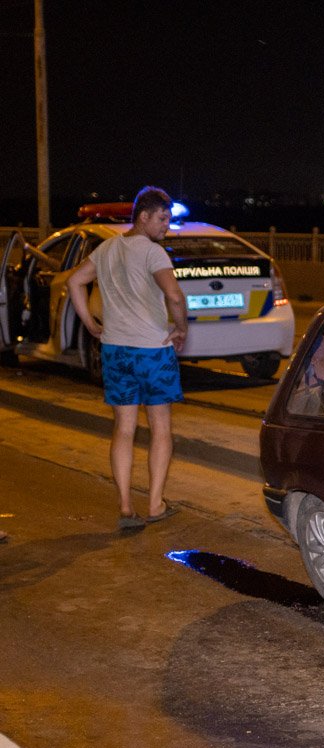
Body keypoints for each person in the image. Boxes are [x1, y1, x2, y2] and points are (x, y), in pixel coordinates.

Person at [67, 186, 188, 530]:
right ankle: (154, 504)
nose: (166, 226)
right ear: (145, 216)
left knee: (123, 428)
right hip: (152, 351)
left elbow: (75, 281)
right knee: (161, 427)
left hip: (115, 350)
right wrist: (181, 328)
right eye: (162, 219)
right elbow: (175, 296)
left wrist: (91, 324)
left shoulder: (105, 249)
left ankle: (124, 507)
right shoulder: (153, 253)